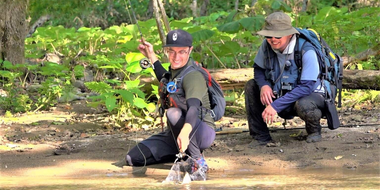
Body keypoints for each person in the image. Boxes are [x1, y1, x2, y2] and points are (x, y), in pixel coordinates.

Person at [126, 29, 216, 179]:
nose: (176, 57)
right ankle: (182, 153)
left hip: (201, 131)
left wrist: (186, 132)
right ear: (166, 51)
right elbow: (165, 79)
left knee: (173, 113)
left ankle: (196, 159)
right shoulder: (175, 72)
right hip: (175, 134)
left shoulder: (193, 75)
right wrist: (151, 56)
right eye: (171, 51)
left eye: (181, 52)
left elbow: (193, 107)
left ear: (190, 50)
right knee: (133, 158)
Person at [245, 12, 329, 146]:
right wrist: (263, 86)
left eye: (278, 35)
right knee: (251, 86)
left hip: (309, 95)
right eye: (268, 35)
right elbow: (259, 69)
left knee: (305, 104)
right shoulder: (266, 46)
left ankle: (314, 131)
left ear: (290, 34)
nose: (273, 39)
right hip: (280, 92)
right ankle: (260, 136)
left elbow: (307, 86)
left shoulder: (306, 50)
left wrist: (275, 105)